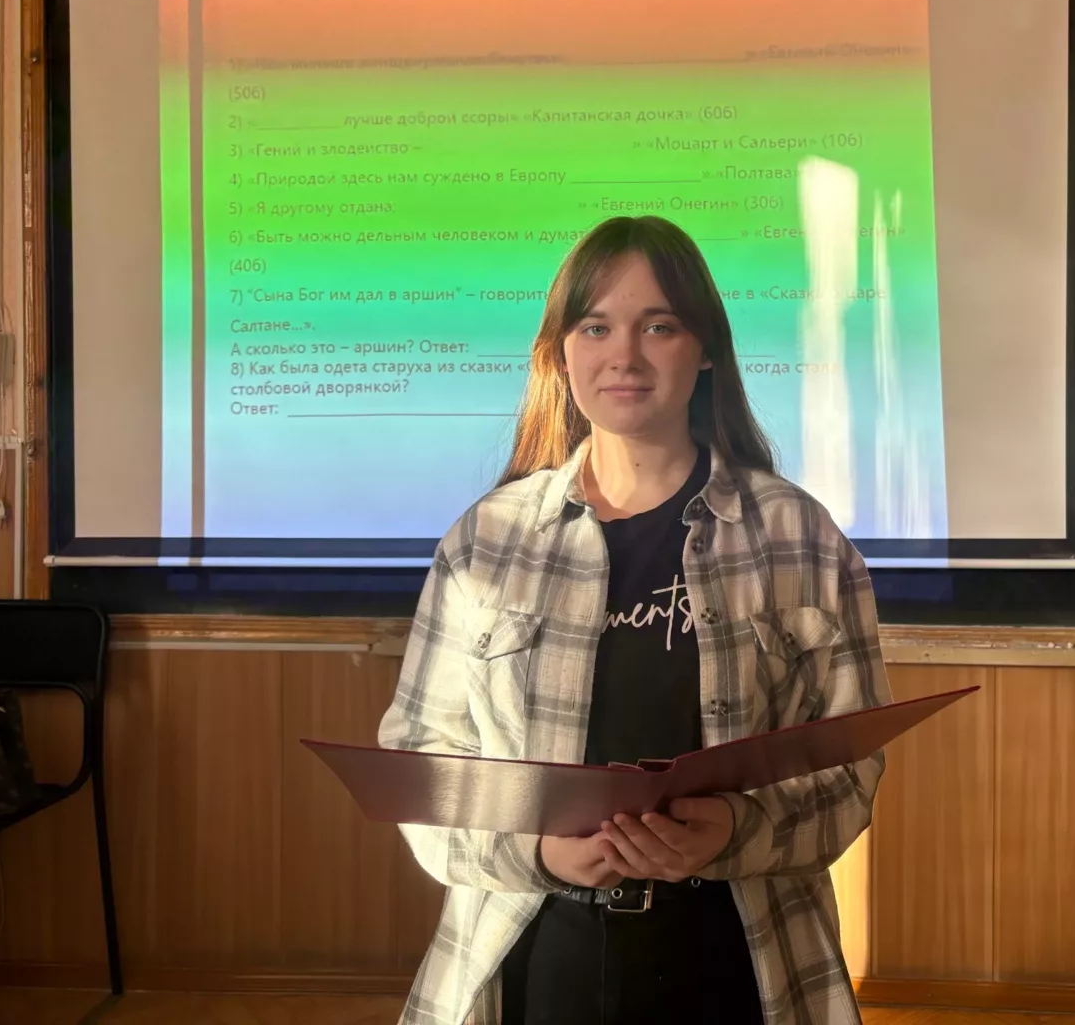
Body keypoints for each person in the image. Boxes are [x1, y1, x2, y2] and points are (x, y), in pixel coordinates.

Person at [379, 215, 891, 1025]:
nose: (624, 355)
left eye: (659, 326)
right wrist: (535, 851)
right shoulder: (488, 540)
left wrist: (733, 828)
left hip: (739, 958)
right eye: (596, 328)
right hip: (532, 957)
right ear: (560, 355)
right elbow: (421, 762)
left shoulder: (800, 537)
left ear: (706, 349)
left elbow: (850, 771)